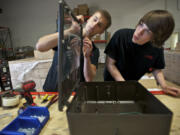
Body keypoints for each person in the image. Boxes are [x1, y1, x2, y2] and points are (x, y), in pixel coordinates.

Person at [104, 10, 180, 97]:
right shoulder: (121, 36)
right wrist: (124, 84)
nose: (139, 32)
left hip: (132, 84)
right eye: (141, 24)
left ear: (156, 38)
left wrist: (164, 86)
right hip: (111, 83)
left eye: (148, 31)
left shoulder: (156, 48)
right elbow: (110, 64)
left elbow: (156, 68)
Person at [36, 9, 111, 92]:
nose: (94, 25)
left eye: (99, 25)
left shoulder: (94, 50)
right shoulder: (66, 35)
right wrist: (71, 30)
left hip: (73, 95)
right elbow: (40, 46)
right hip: (52, 91)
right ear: (89, 19)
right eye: (94, 19)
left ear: (101, 32)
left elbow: (89, 79)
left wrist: (87, 57)